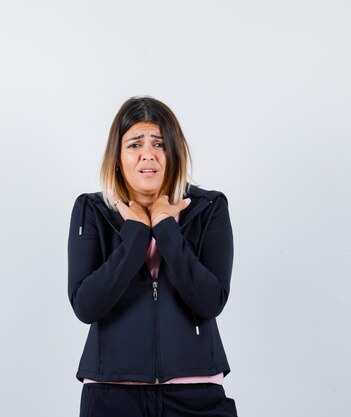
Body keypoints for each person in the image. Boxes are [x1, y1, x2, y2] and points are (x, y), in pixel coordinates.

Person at [67, 96, 237, 417]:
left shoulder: (209, 207)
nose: (148, 153)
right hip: (110, 395)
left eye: (159, 143)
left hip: (196, 393)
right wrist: (136, 234)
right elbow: (86, 305)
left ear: (172, 153)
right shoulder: (91, 210)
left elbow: (209, 301)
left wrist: (165, 226)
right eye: (134, 144)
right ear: (117, 157)